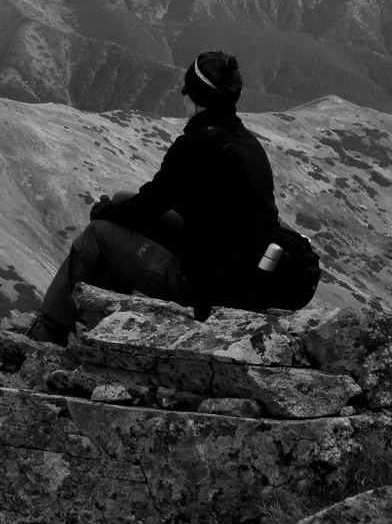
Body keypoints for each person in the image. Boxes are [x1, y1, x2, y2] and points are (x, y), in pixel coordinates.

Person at [28, 51, 278, 346]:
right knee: (122, 200)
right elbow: (163, 204)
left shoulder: (195, 146)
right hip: (239, 275)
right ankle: (98, 314)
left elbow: (146, 207)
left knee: (97, 234)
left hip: (200, 285)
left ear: (195, 95)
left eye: (185, 89)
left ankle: (49, 333)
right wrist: (116, 208)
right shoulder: (247, 143)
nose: (182, 95)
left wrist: (104, 212)